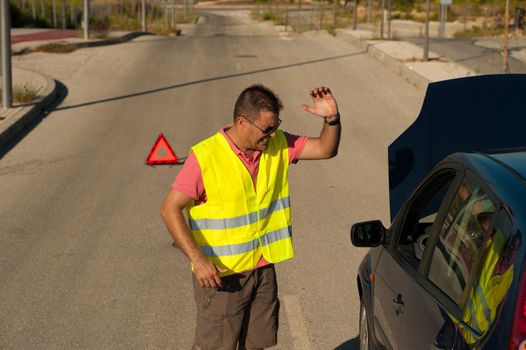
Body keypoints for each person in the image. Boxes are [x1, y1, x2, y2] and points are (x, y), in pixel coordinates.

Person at [160, 84, 341, 350]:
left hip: (263, 268)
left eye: (276, 125)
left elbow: (326, 149)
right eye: (266, 128)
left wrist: (331, 119)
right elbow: (169, 209)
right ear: (242, 123)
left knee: (256, 345)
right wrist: (198, 260)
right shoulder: (206, 156)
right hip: (222, 276)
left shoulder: (277, 143)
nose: (272, 133)